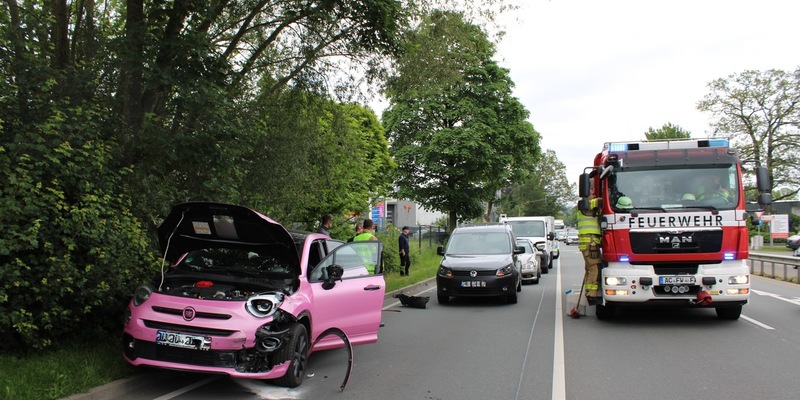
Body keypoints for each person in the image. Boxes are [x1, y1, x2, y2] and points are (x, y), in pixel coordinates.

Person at [578, 195, 602, 305]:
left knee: (589, 268)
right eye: (592, 190)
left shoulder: (585, 207)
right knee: (594, 268)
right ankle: (592, 294)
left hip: (587, 242)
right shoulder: (586, 204)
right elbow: (600, 202)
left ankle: (588, 291)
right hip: (590, 242)